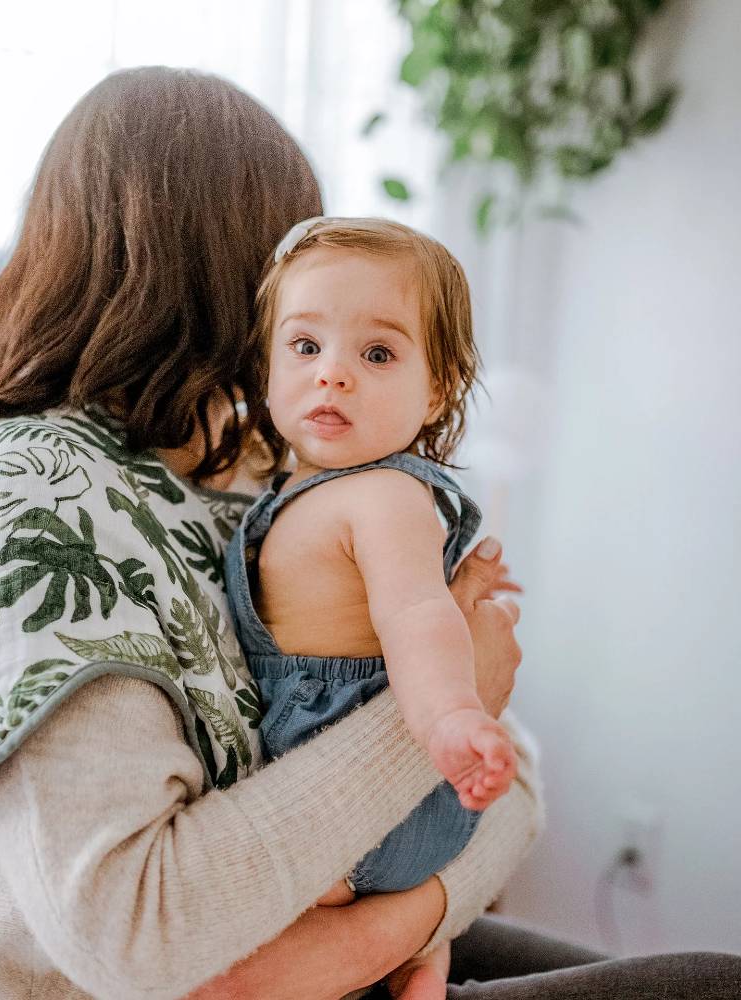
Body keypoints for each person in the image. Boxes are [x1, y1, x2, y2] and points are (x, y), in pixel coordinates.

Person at [0, 66, 741, 1000]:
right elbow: (142, 934)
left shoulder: (256, 463)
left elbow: (516, 777)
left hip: (340, 925)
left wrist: (416, 914)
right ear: (229, 268)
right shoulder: (34, 503)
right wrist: (415, 881)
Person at [223, 216, 520, 998]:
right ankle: (425, 961)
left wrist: (455, 716)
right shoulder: (290, 479)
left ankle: (385, 940)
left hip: (352, 790)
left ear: (441, 386)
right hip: (398, 803)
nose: (333, 375)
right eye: (305, 347)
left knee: (276, 908)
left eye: (378, 353)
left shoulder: (384, 495)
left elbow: (415, 618)